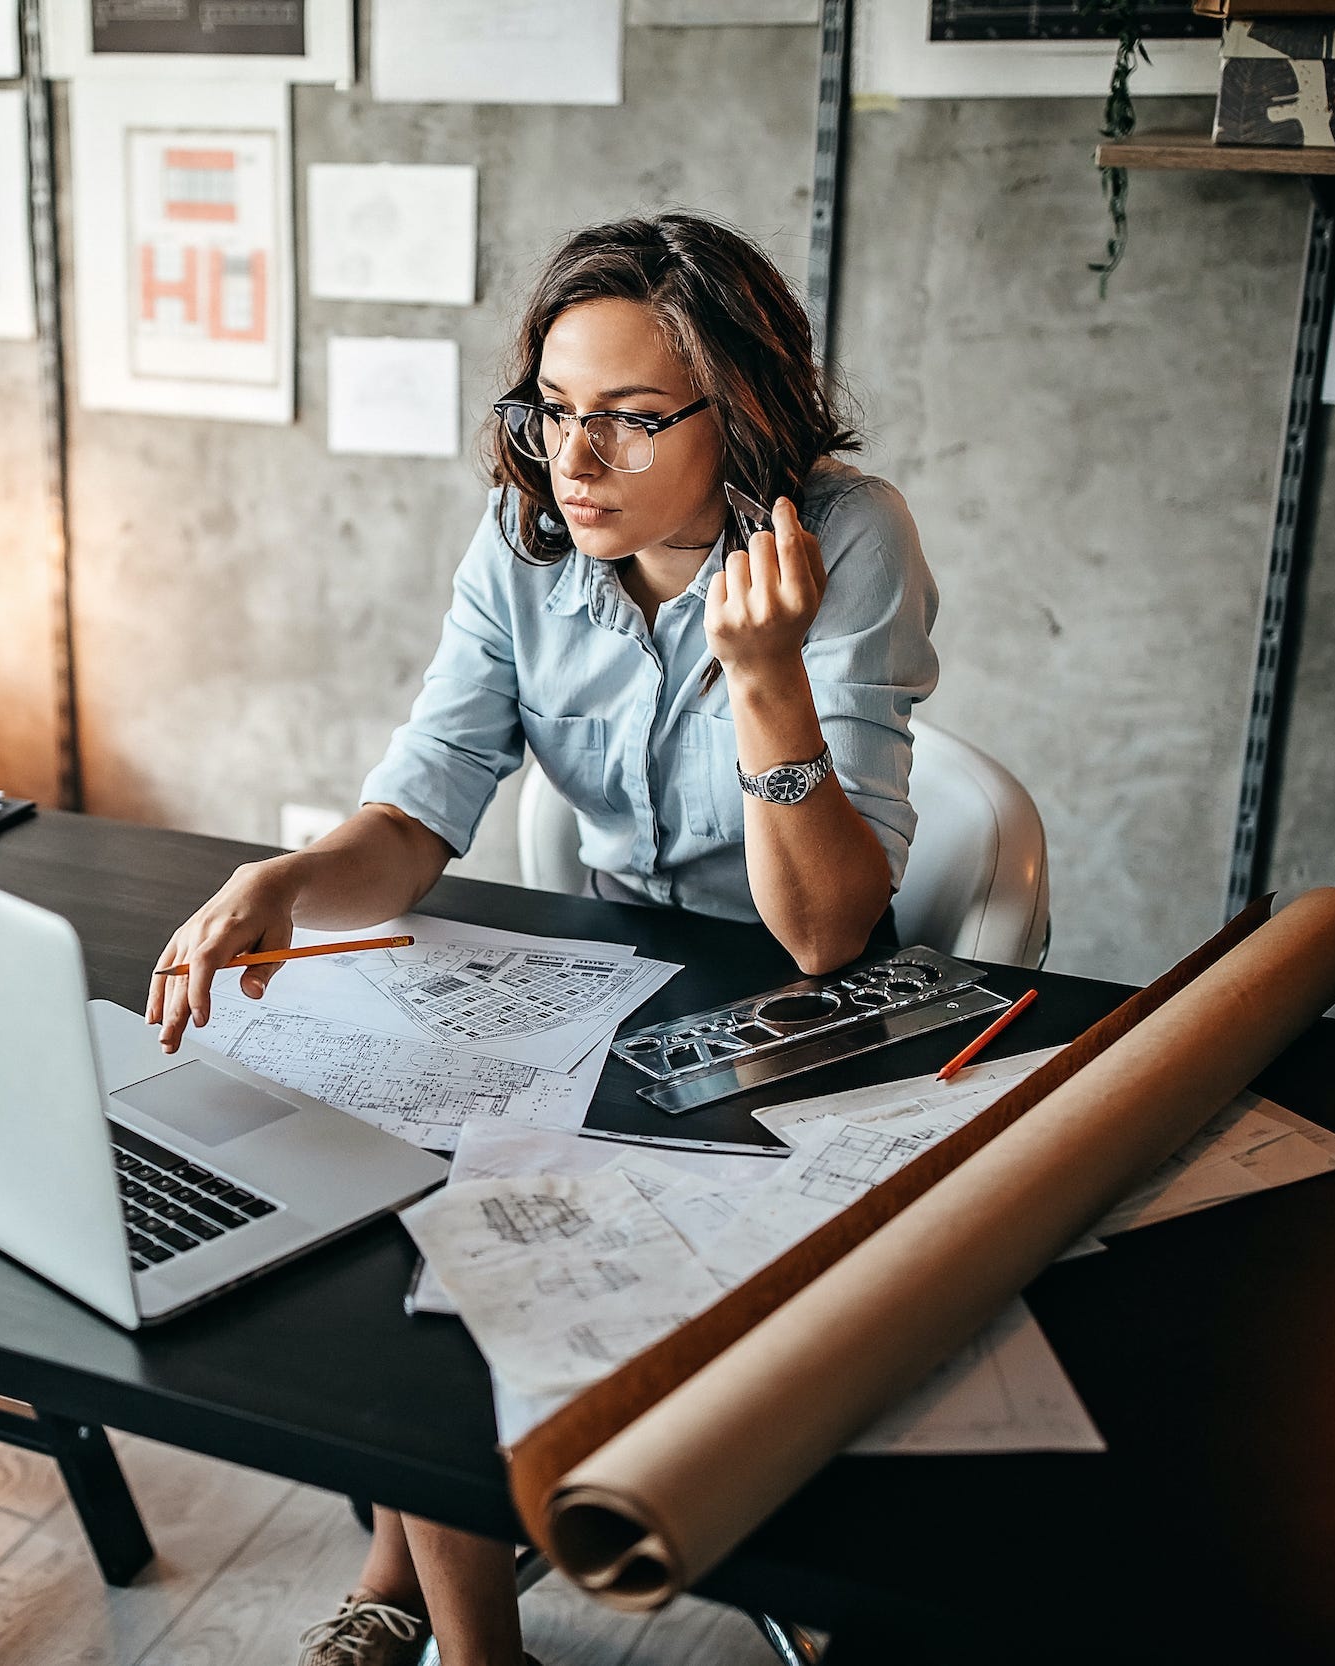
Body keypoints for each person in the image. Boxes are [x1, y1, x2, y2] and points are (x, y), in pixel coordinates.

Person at [145, 213, 938, 1666]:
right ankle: (462, 1635)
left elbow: (824, 930)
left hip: (800, 1015)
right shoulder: (524, 539)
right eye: (553, 414)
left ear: (738, 413)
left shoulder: (847, 536)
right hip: (603, 988)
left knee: (481, 1252)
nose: (574, 463)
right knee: (398, 1220)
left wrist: (763, 680)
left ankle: (404, 1574)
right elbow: (417, 813)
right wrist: (293, 872)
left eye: (630, 423)